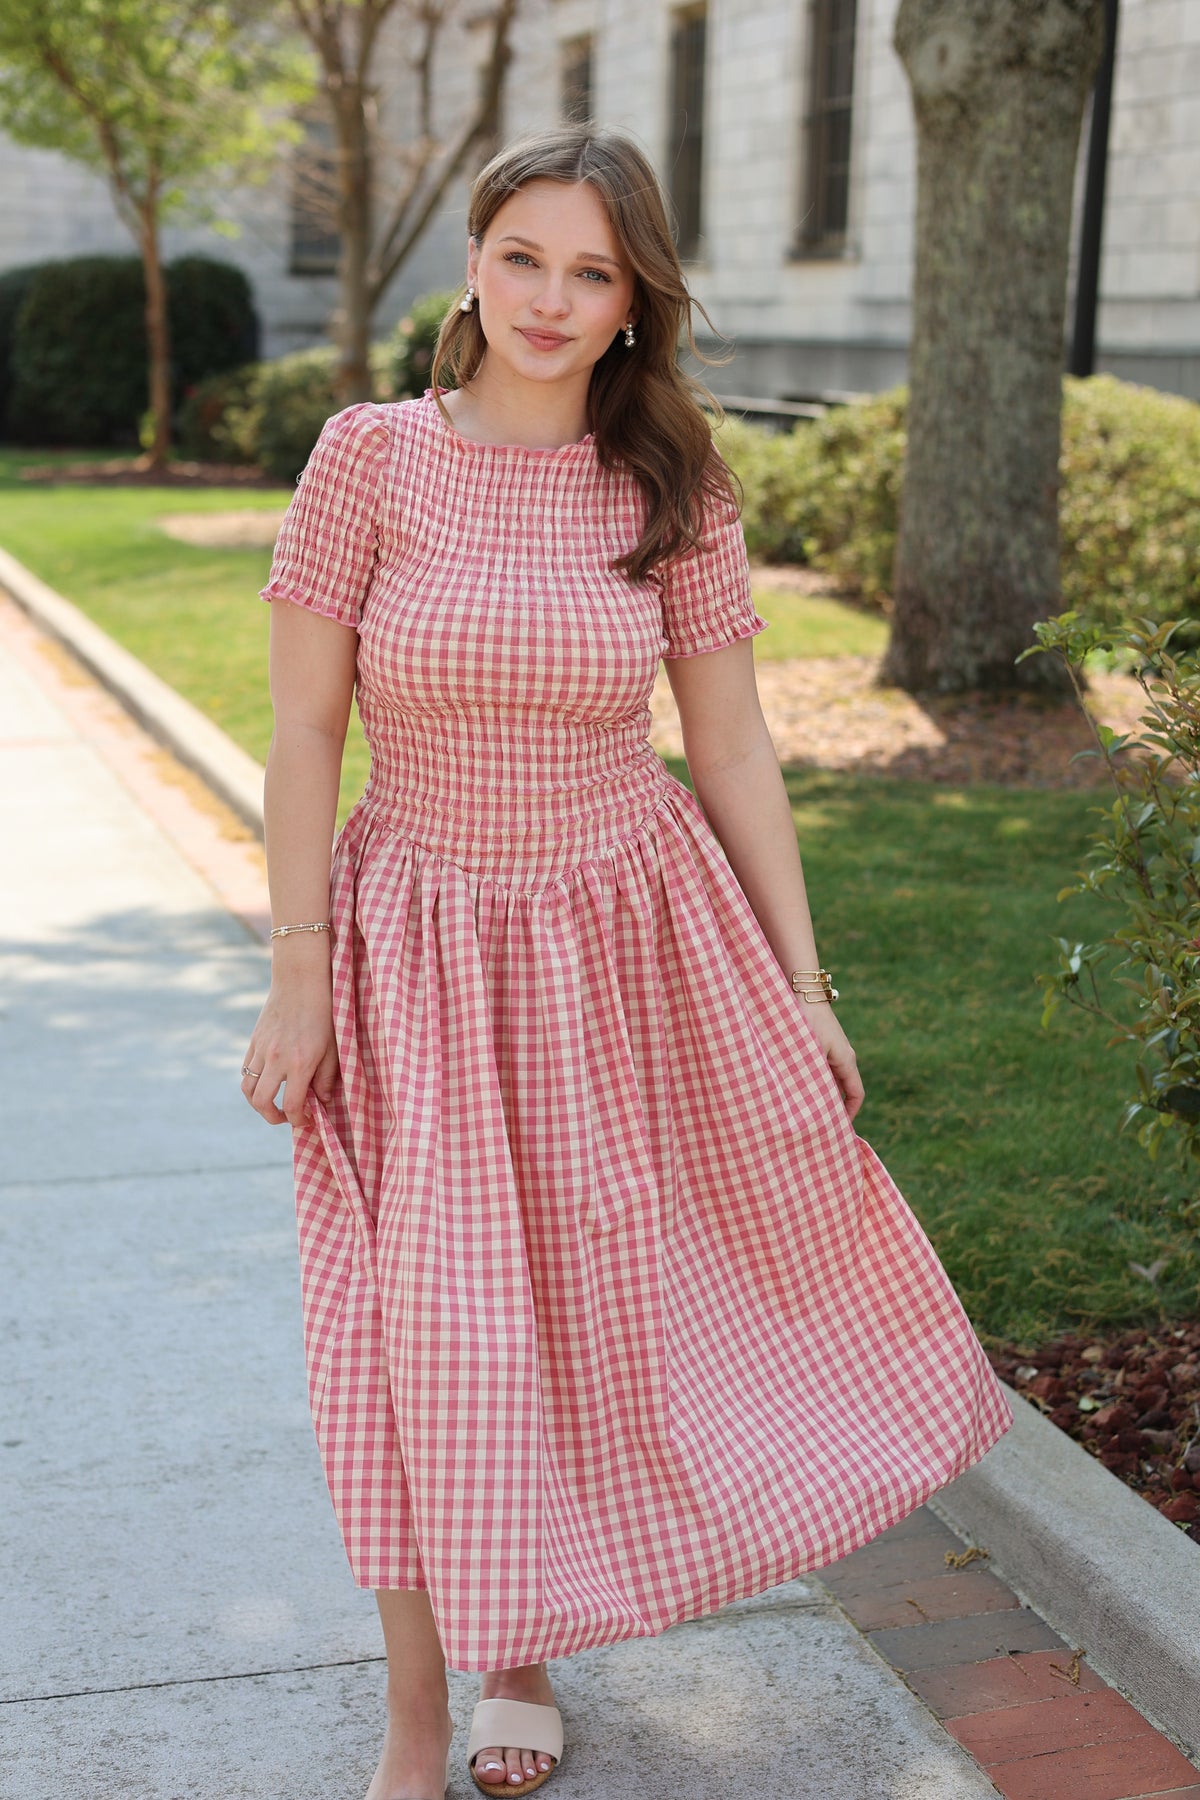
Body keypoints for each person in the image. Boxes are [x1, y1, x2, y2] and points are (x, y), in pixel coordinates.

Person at [240, 123, 1011, 1800]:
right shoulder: (370, 458)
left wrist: (802, 989)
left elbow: (730, 748)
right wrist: (299, 968)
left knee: (582, 1320)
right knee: (430, 1337)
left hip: (624, 946)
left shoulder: (673, 481)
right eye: (523, 257)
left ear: (632, 303)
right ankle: (419, 1714)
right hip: (419, 949)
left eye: (591, 273)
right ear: (472, 261)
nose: (549, 299)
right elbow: (303, 730)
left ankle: (523, 1646)